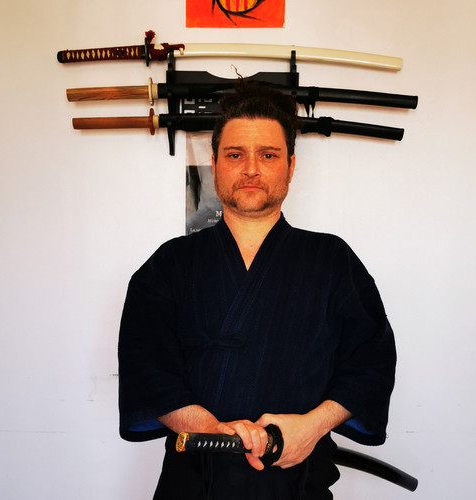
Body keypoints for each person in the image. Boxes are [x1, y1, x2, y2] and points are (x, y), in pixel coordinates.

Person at [118, 80, 397, 500]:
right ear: (215, 164)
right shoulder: (170, 264)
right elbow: (146, 367)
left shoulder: (332, 260)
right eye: (235, 155)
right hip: (195, 481)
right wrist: (209, 429)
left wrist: (311, 428)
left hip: (299, 480)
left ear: (291, 166)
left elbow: (371, 362)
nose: (251, 169)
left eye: (268, 155)